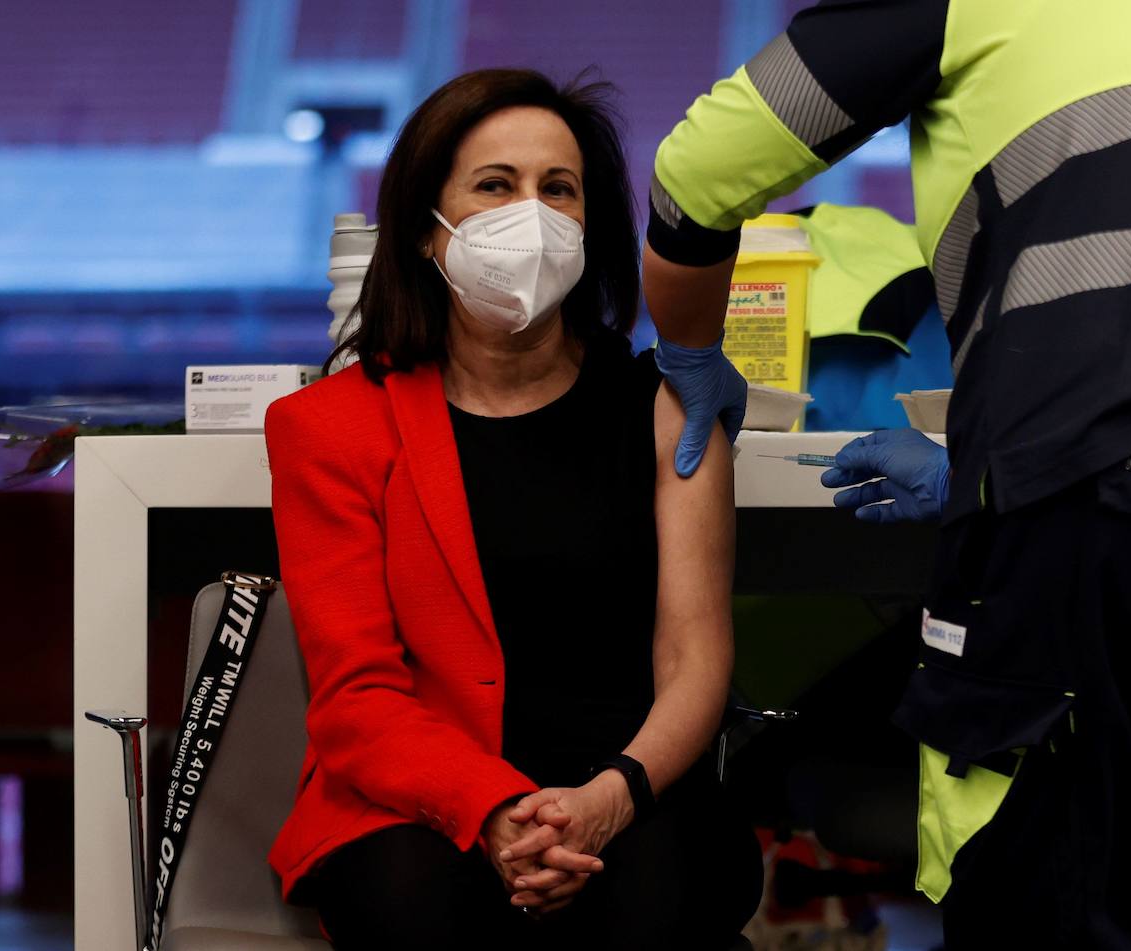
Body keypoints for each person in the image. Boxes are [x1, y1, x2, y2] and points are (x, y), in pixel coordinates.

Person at [642, 0, 1131, 947]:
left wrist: (691, 349)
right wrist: (976, 473)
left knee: (1051, 880)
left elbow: (697, 172)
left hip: (1118, 487)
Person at [263, 68, 761, 950]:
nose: (531, 213)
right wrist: (494, 809)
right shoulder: (328, 428)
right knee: (419, 911)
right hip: (420, 800)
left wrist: (609, 799)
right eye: (496, 185)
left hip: (633, 785)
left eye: (558, 189)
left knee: (661, 906)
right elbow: (357, 698)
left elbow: (695, 659)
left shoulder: (670, 411)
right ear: (426, 227)